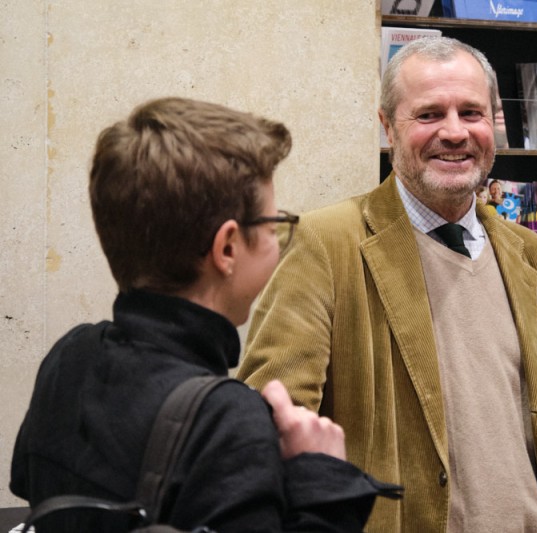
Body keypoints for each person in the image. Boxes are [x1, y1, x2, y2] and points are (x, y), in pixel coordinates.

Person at [238, 36, 537, 532]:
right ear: (387, 126)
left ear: (494, 121)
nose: (454, 132)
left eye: (471, 112)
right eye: (428, 115)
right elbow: (267, 426)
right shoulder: (325, 244)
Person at [10, 97, 398, 532]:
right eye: (272, 228)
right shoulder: (229, 422)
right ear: (227, 248)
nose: (277, 242)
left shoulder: (70, 356)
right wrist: (323, 479)